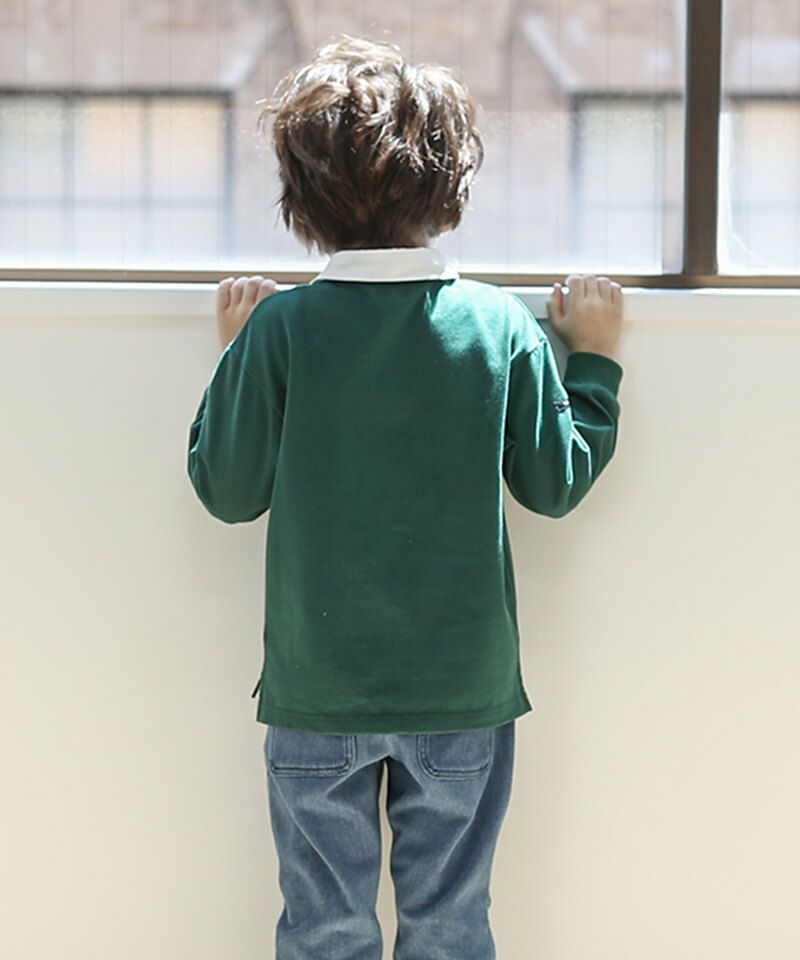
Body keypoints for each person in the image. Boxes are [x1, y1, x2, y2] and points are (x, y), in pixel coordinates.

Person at [187, 34, 625, 960]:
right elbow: (554, 485)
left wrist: (236, 356)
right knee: (451, 928)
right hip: (461, 696)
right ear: (450, 186)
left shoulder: (280, 329)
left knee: (324, 931)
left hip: (318, 694)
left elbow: (227, 491)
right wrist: (592, 362)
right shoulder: (500, 324)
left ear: (300, 198)